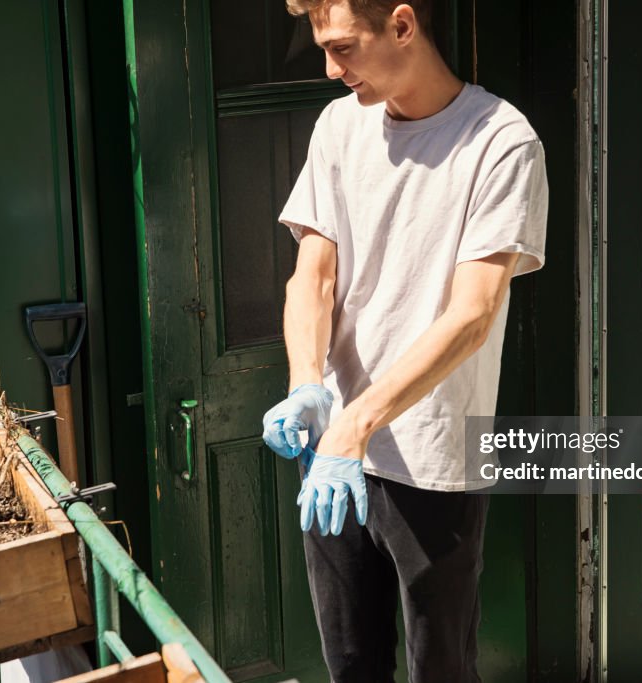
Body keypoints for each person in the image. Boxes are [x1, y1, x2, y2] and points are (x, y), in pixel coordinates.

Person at [261, 1, 548, 680]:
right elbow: (312, 278)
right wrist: (308, 383)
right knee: (350, 664)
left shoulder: (500, 141)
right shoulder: (340, 126)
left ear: (401, 24)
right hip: (333, 460)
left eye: (343, 47)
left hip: (432, 459)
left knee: (440, 667)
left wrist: (358, 421)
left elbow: (472, 313)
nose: (331, 70)